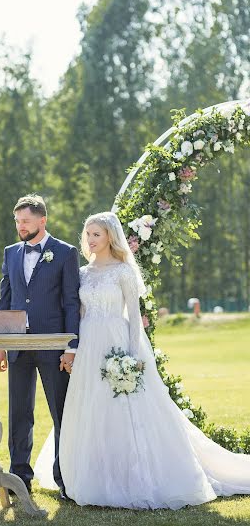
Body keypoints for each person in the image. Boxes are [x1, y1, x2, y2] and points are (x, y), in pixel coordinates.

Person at [35, 211, 250, 509]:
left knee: (123, 408)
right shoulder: (82, 273)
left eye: (96, 234)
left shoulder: (123, 272)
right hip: (88, 346)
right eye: (88, 234)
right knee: (90, 406)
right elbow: (78, 313)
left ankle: (130, 476)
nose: (90, 240)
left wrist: (132, 356)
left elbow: (133, 318)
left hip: (116, 343)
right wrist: (72, 348)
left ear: (110, 236)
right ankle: (91, 474)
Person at [0, 194, 80, 500]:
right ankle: (18, 478)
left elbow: (71, 303)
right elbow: (5, 301)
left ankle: (66, 479)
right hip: (17, 346)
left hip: (53, 347)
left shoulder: (65, 253)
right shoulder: (10, 252)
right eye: (17, 221)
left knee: (61, 413)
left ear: (42, 221)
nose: (20, 226)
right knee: (19, 413)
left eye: (26, 221)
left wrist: (71, 346)